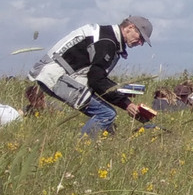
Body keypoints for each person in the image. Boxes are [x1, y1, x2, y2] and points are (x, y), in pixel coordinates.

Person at [27, 16, 155, 137]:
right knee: (106, 114)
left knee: (107, 121)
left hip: (49, 73)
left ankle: (100, 146)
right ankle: (81, 147)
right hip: (55, 76)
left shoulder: (105, 35)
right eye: (140, 37)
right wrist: (126, 104)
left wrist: (121, 95)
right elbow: (96, 80)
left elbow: (95, 78)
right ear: (130, 27)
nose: (140, 43)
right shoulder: (108, 42)